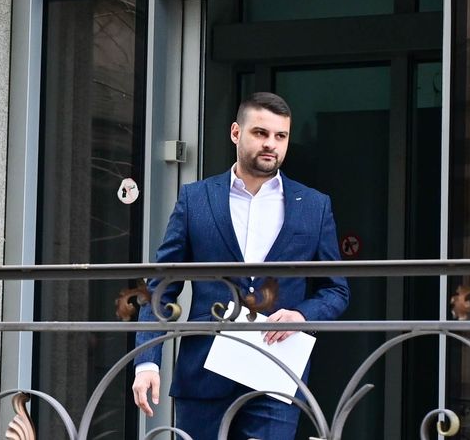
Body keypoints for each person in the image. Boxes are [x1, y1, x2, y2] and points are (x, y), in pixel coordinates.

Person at [132, 92, 349, 440]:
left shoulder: (314, 205)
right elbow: (161, 286)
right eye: (260, 133)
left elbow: (336, 289)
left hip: (276, 372)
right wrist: (147, 361)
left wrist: (302, 315)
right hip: (203, 374)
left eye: (281, 136)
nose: (271, 144)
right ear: (236, 133)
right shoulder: (195, 198)